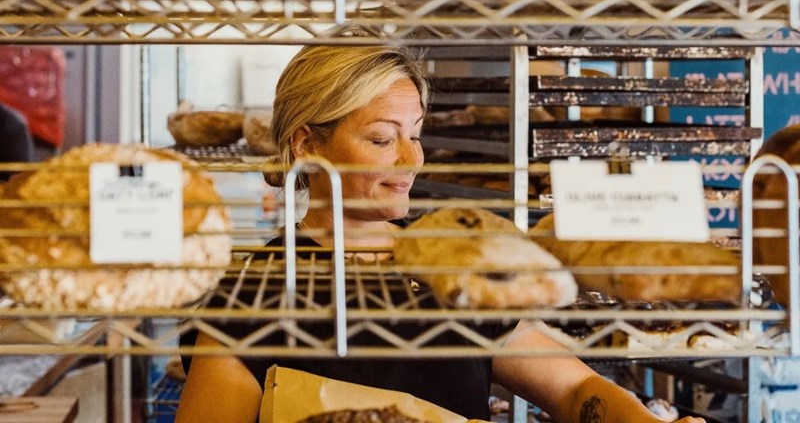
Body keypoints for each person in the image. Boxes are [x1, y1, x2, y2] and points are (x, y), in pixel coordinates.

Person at [176, 45, 705, 423]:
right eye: (382, 139)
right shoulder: (255, 293)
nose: (411, 158)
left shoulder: (454, 269)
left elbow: (575, 390)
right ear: (308, 144)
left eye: (416, 135)